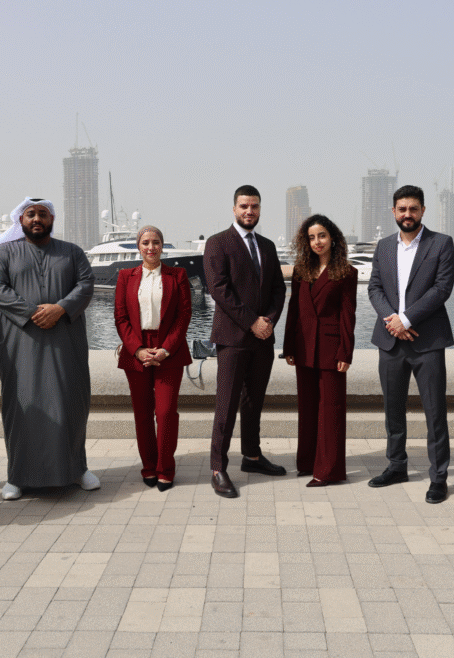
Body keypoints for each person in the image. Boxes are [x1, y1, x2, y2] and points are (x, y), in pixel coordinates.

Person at [0, 198, 98, 500]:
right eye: (31, 214)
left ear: (52, 219)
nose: (37, 219)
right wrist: (32, 312)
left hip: (66, 343)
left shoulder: (72, 252)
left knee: (71, 403)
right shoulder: (2, 253)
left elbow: (86, 284)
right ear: (20, 220)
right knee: (21, 406)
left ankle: (78, 469)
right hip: (21, 344)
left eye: (43, 214)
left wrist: (60, 308)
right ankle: (17, 476)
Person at [366, 186, 454, 503]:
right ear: (394, 212)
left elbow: (442, 289)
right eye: (402, 209)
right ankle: (396, 466)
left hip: (427, 342)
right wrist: (392, 320)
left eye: (413, 208)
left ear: (423, 211)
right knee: (393, 411)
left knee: (435, 413)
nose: (407, 214)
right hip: (390, 341)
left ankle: (439, 477)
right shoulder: (384, 246)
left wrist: (406, 320)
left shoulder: (441, 243)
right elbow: (374, 288)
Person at [203, 185, 287, 498]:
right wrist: (252, 322)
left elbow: (278, 288)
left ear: (260, 209)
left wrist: (269, 321)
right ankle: (217, 468)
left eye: (254, 206)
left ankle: (252, 456)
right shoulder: (218, 243)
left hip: (263, 338)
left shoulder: (267, 246)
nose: (249, 211)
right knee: (226, 404)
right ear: (234, 208)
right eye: (244, 206)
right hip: (233, 338)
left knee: (254, 401)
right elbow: (219, 289)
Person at [114, 225, 193, 491]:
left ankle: (165, 469)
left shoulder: (177, 275)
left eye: (156, 242)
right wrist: (137, 349)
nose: (151, 247)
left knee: (166, 412)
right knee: (143, 413)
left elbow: (184, 316)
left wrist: (165, 349)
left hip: (169, 349)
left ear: (162, 245)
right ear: (138, 246)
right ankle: (148, 467)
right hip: (135, 349)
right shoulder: (125, 276)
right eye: (146, 242)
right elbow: (121, 317)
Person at [283, 214, 357, 487]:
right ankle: (308, 463)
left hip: (330, 348)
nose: (317, 242)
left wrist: (345, 353)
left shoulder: (346, 272)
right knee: (308, 407)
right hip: (303, 346)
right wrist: (288, 346)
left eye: (322, 236)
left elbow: (348, 316)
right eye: (312, 237)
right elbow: (294, 310)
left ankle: (329, 471)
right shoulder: (301, 271)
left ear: (333, 238)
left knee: (331, 410)